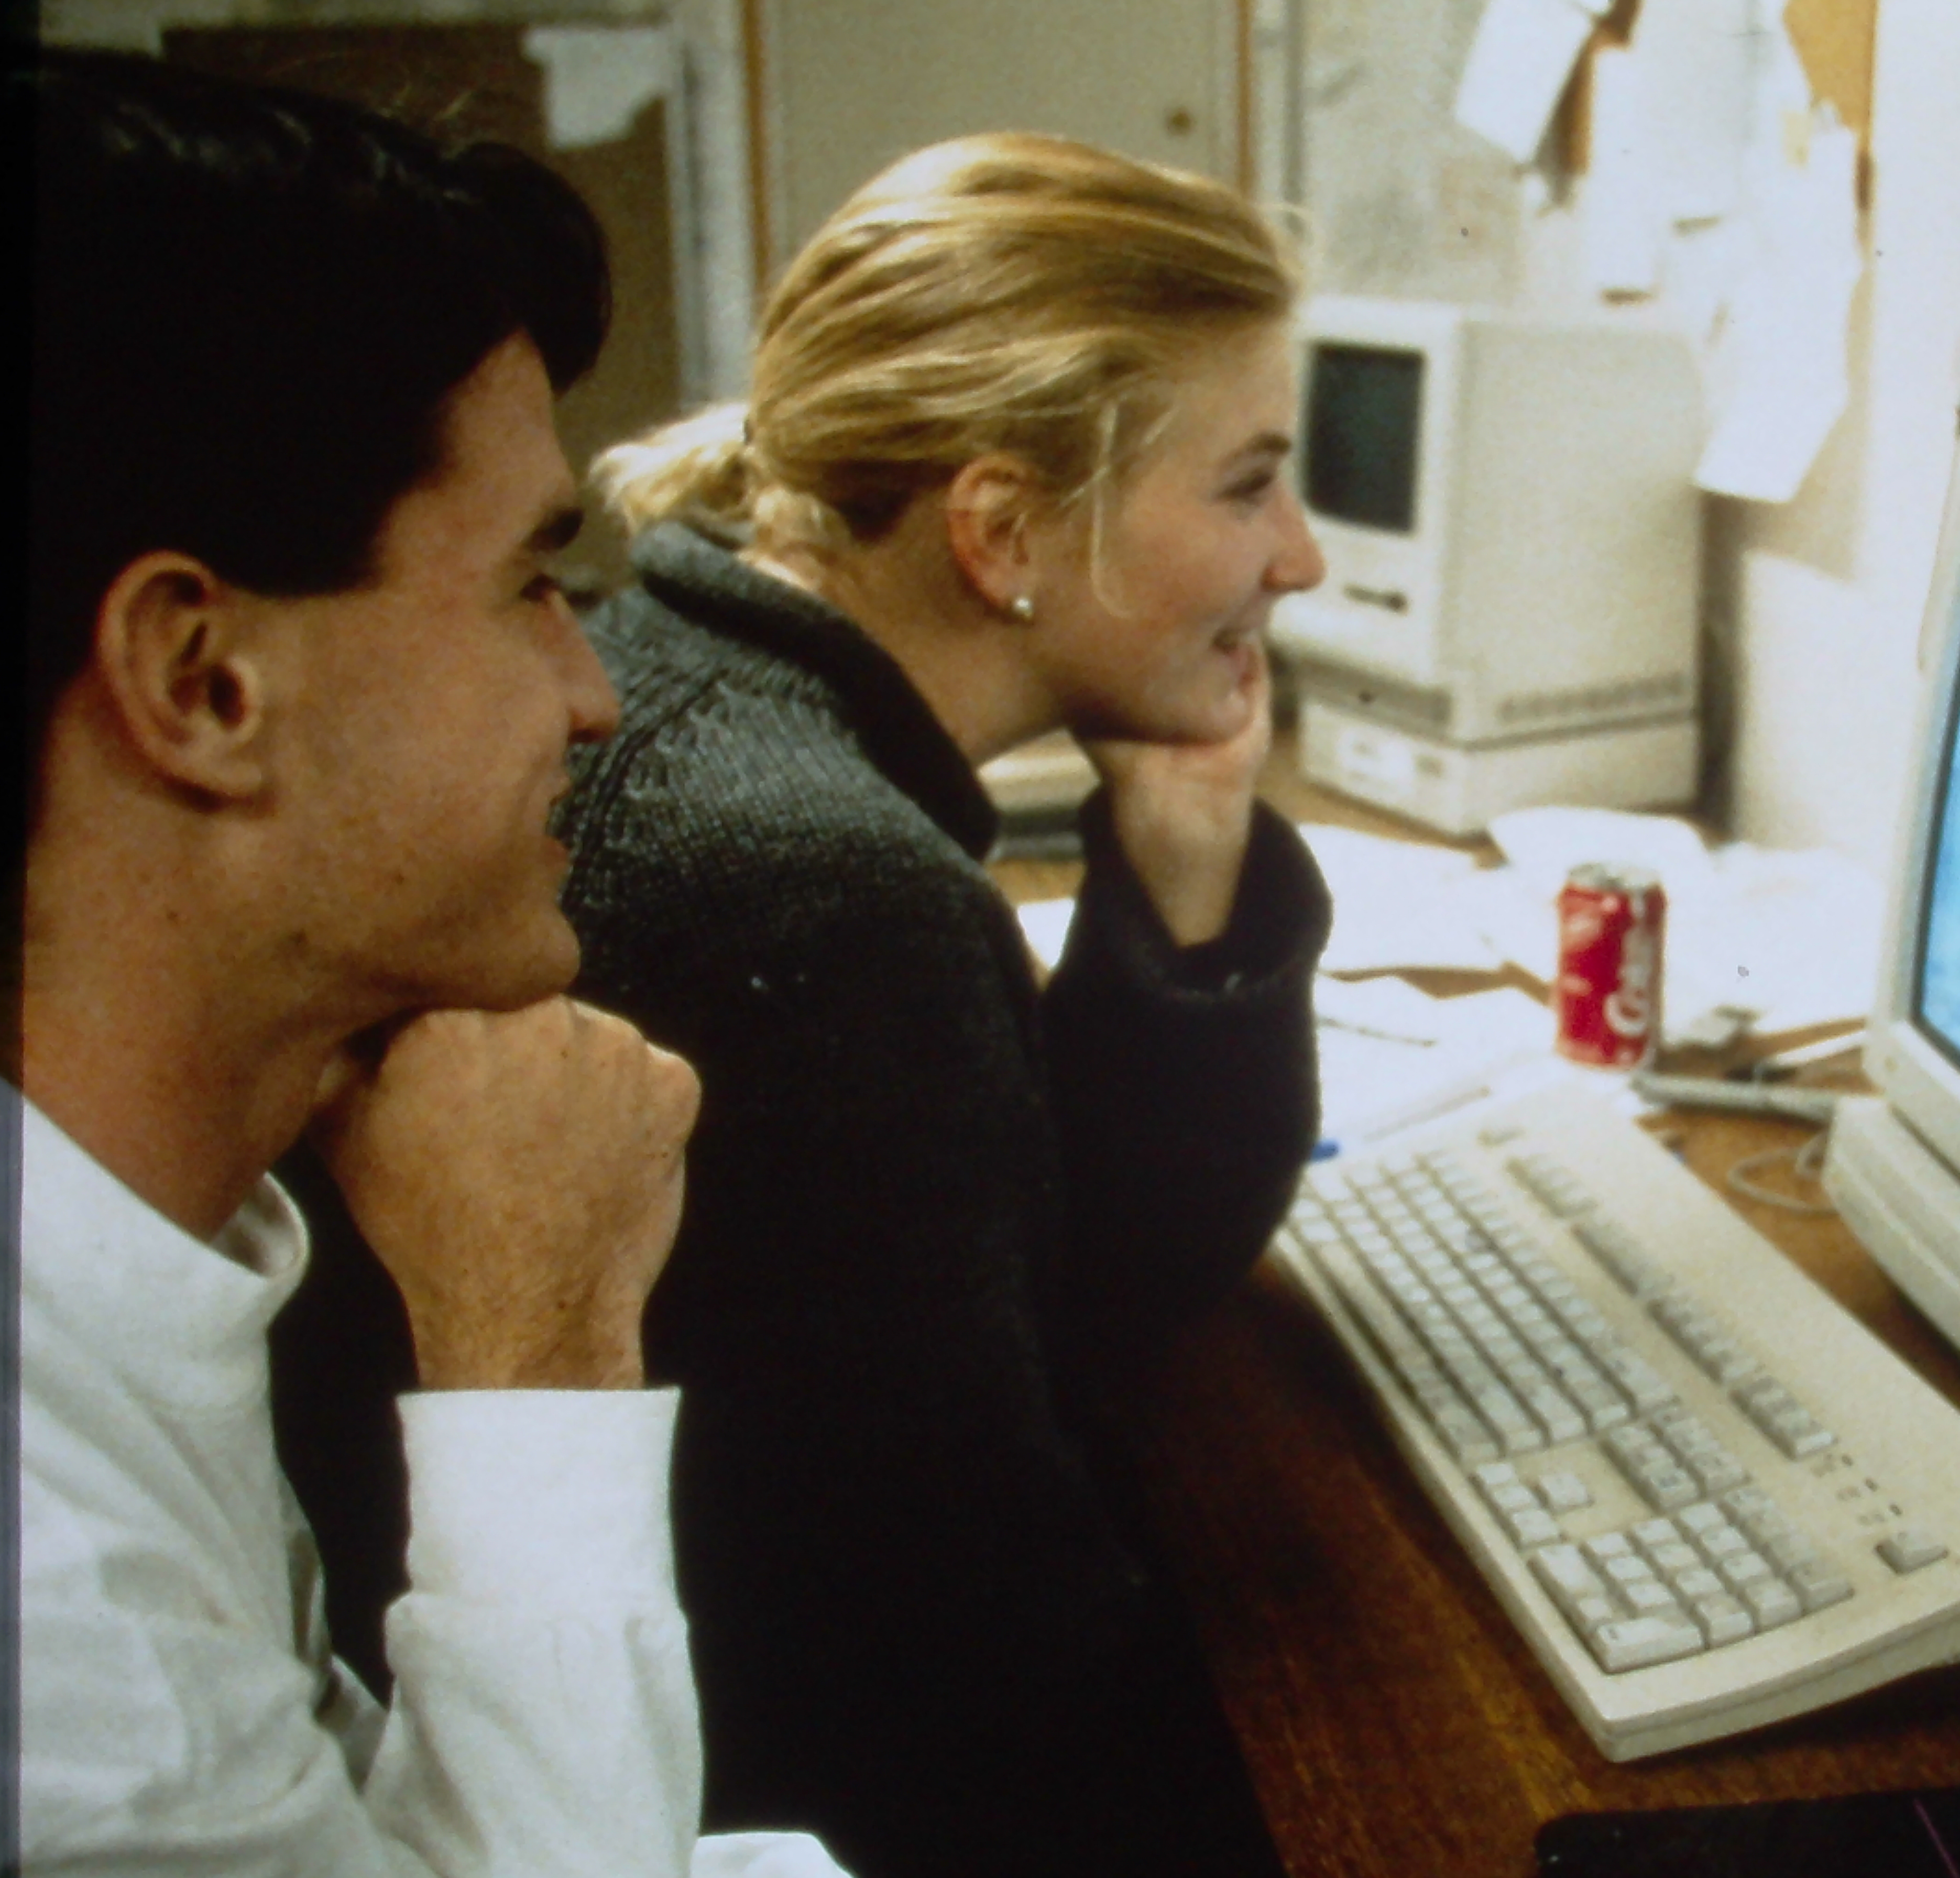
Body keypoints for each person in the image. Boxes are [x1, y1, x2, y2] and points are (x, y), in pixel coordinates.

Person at [273, 131, 1333, 1875]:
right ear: (999, 530)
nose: (1292, 555)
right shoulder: (816, 884)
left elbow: (1070, 1270)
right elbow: (984, 1673)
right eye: (1245, 484)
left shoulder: (705, 689)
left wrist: (1189, 841)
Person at [13, 47, 844, 1876]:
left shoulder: (141, 1237)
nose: (592, 692)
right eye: (525, 584)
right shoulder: (61, 1638)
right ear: (204, 682)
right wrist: (538, 1338)